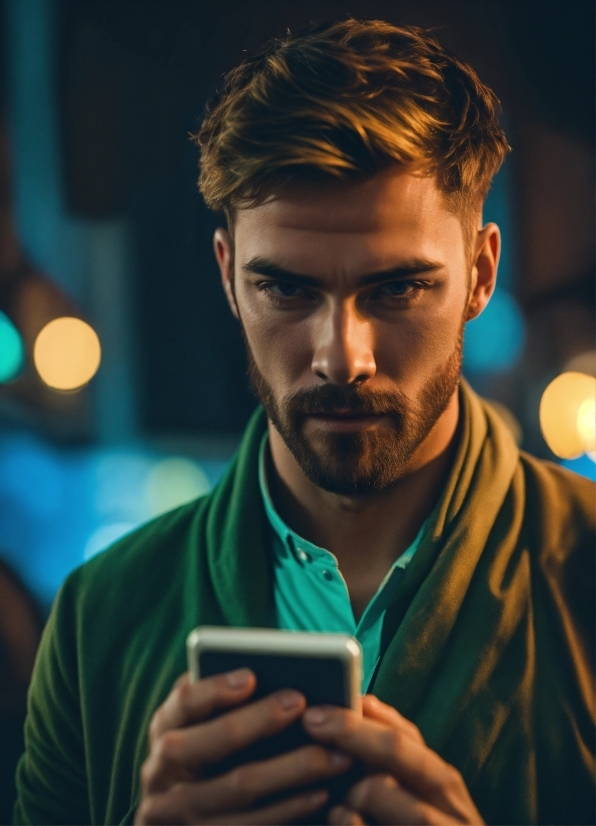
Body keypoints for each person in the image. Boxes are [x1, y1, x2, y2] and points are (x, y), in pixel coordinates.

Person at [13, 19, 594, 826]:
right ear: (227, 277)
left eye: (397, 289)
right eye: (286, 290)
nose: (341, 357)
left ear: (481, 274)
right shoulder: (97, 620)